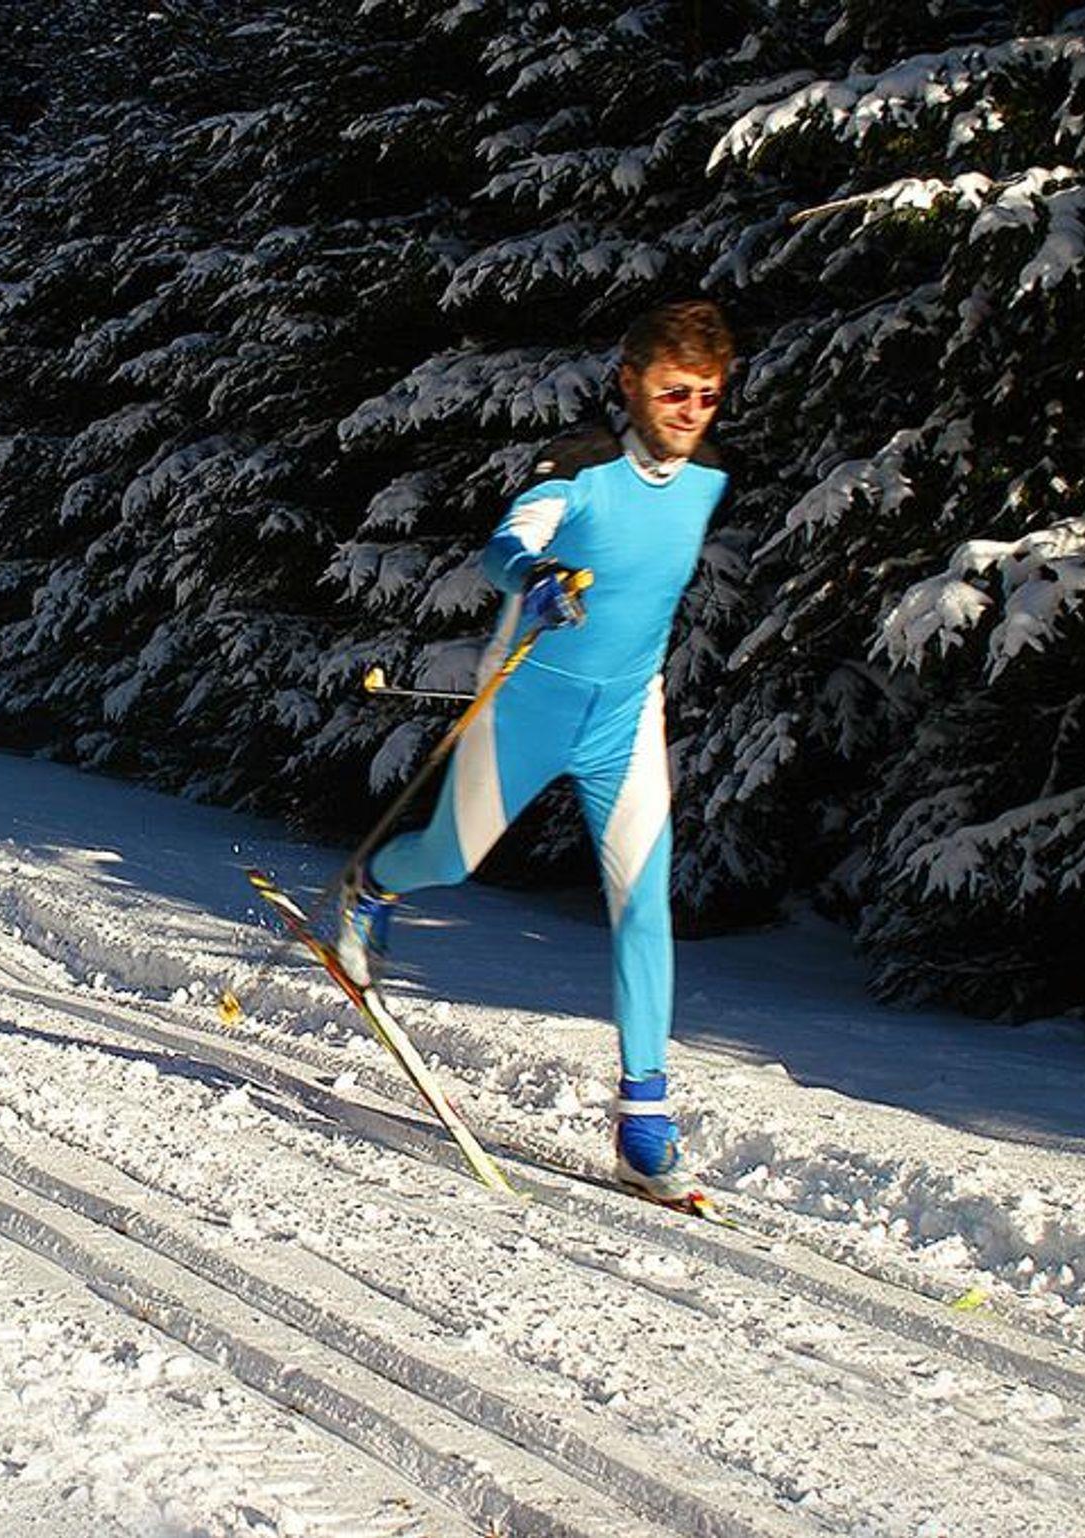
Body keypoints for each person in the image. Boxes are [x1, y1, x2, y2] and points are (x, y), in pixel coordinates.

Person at [338, 298, 735, 1202]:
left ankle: (644, 1120)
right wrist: (537, 575)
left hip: (625, 718)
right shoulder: (579, 465)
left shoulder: (708, 477)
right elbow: (507, 543)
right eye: (673, 392)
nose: (690, 413)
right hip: (526, 704)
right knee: (450, 858)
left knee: (644, 904)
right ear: (630, 382)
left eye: (707, 396)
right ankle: (374, 885)